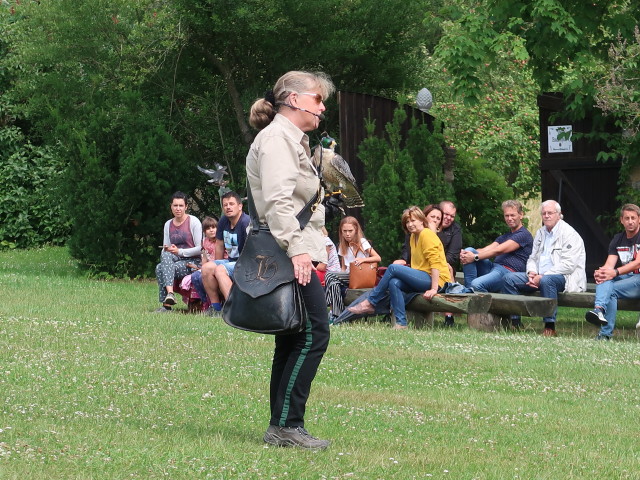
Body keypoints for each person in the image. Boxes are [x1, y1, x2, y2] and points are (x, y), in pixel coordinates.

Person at [246, 70, 335, 450]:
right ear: (295, 100)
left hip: (294, 248)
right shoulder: (277, 140)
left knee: (293, 337)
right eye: (318, 99)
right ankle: (286, 425)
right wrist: (299, 250)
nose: (322, 107)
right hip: (288, 251)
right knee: (315, 333)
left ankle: (281, 426)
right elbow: (278, 202)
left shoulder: (290, 140)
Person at [348, 205, 451, 329]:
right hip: (423, 277)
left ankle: (371, 302)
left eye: (413, 220)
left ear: (422, 220)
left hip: (438, 280)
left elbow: (435, 264)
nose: (410, 224)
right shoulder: (413, 237)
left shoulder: (426, 234)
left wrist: (434, 289)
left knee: (393, 268)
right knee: (394, 282)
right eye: (407, 222)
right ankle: (401, 323)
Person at [502, 200, 586, 336]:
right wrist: (532, 272)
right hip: (538, 276)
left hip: (564, 277)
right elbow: (532, 258)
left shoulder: (570, 234)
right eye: (544, 213)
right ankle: (516, 323)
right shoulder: (541, 233)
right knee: (508, 279)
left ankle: (550, 326)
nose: (546, 216)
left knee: (548, 281)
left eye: (550, 213)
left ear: (559, 215)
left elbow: (569, 265)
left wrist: (542, 276)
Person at [585, 204, 640, 340]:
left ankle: (604, 334)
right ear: (621, 220)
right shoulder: (617, 239)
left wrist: (614, 272)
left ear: (639, 219)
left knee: (612, 289)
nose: (630, 221)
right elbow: (609, 265)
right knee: (605, 280)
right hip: (627, 278)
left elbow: (638, 263)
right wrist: (602, 273)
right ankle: (599, 310)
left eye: (633, 218)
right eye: (627, 218)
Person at [460, 199, 533, 293]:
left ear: (521, 215)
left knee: (477, 284)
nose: (509, 218)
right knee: (470, 250)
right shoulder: (505, 236)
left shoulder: (524, 234)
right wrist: (466, 254)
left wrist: (475, 257)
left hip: (508, 272)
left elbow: (498, 250)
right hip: (494, 268)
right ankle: (468, 291)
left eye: (512, 215)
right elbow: (487, 249)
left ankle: (474, 295)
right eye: (507, 215)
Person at [198, 191, 250, 315]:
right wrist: (216, 263)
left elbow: (252, 250)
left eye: (231, 204)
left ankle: (234, 310)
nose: (228, 207)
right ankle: (216, 308)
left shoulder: (246, 223)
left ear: (240, 206)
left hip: (246, 262)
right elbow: (219, 245)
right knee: (206, 268)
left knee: (220, 270)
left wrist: (220, 268)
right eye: (225, 205)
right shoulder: (223, 221)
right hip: (231, 261)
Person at [324, 217, 381, 323]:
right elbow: (343, 267)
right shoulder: (342, 244)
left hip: (360, 276)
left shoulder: (362, 242)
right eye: (344, 231)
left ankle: (333, 312)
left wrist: (363, 260)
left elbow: (378, 258)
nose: (347, 234)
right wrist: (338, 277)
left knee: (330, 276)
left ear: (356, 230)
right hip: (348, 276)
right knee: (334, 282)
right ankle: (339, 316)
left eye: (350, 231)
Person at [154, 191, 202, 313]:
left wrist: (179, 251)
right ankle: (170, 294)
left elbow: (200, 248)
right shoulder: (168, 224)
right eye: (175, 205)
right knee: (164, 255)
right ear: (171, 206)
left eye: (181, 206)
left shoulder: (193, 221)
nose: (178, 209)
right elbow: (166, 248)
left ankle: (166, 306)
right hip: (174, 259)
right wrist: (168, 249)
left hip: (192, 261)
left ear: (186, 207)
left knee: (160, 268)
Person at [188, 216, 222, 307]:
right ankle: (205, 302)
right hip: (207, 267)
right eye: (208, 228)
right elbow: (204, 256)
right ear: (204, 232)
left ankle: (215, 303)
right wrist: (202, 268)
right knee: (195, 276)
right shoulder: (204, 241)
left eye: (213, 227)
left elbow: (220, 259)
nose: (211, 230)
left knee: (202, 278)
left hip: (218, 266)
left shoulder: (220, 241)